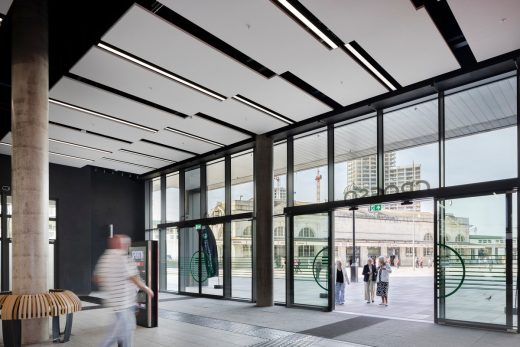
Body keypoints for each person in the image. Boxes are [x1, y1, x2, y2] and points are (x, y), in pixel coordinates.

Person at [94, 234, 154, 347]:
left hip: (116, 303)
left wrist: (112, 284)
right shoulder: (123, 257)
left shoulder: (105, 257)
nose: (127, 246)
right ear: (121, 244)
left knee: (123, 332)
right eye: (126, 244)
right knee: (116, 335)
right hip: (124, 304)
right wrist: (147, 289)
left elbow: (98, 279)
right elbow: (134, 278)